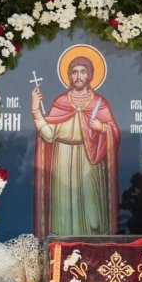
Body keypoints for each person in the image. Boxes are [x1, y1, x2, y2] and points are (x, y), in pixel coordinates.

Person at [31, 48, 121, 237]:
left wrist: (102, 127)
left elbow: (114, 133)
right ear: (69, 76)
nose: (78, 76)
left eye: (83, 71)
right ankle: (61, 246)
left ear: (90, 75)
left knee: (92, 211)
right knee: (64, 208)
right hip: (62, 161)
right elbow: (48, 135)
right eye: (74, 72)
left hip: (90, 160)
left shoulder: (100, 103)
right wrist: (35, 110)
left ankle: (93, 246)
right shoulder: (61, 102)